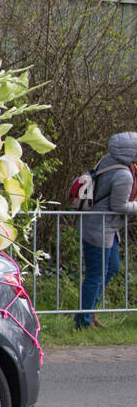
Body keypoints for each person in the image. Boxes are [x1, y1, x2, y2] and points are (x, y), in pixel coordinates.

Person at [76, 131, 137, 329]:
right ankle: (83, 321)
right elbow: (120, 206)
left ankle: (90, 313)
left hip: (105, 228)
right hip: (98, 229)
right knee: (96, 274)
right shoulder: (123, 175)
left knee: (112, 268)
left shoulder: (108, 160)